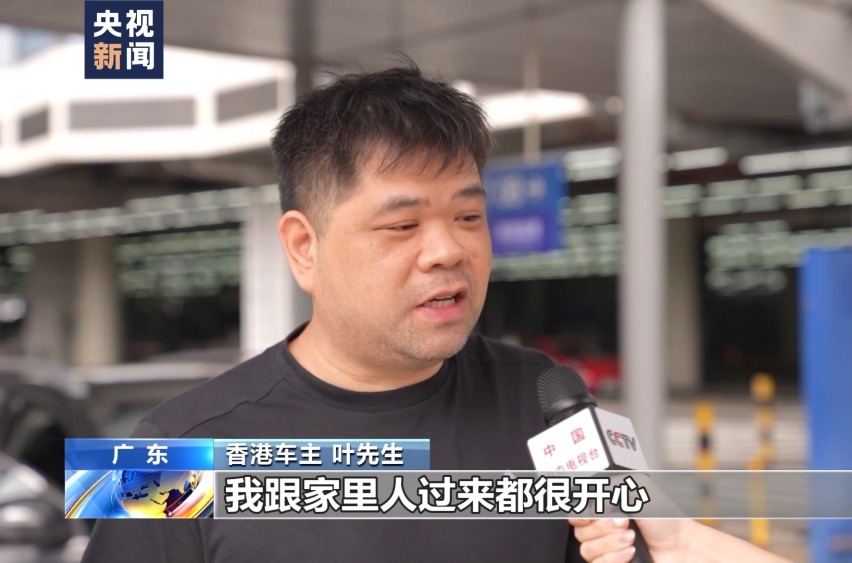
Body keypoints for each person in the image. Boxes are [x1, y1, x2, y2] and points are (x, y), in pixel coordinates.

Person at [82, 62, 790, 563]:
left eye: (469, 216)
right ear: (304, 246)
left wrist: (677, 541)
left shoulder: (544, 403)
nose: (449, 250)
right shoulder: (167, 451)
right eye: (402, 225)